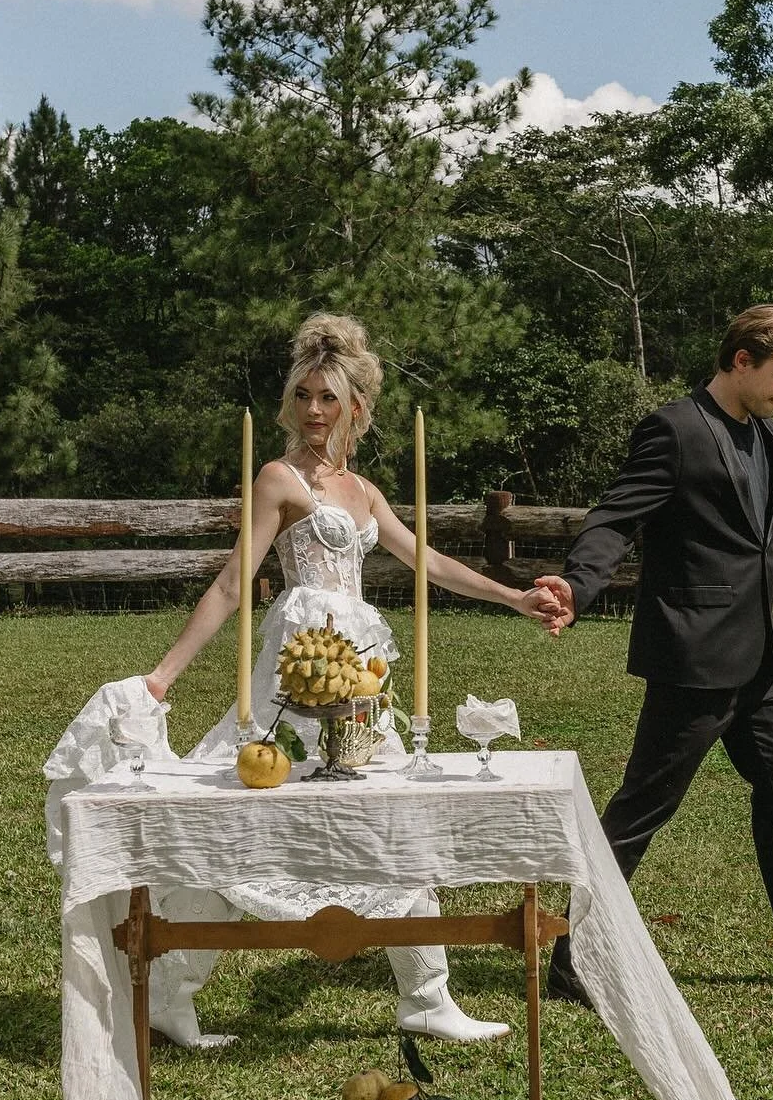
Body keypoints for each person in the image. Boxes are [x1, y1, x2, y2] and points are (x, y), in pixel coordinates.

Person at [144, 312, 561, 1043]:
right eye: (303, 395)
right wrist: (163, 676)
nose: (313, 410)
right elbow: (232, 584)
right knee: (240, 826)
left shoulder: (363, 492)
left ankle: (426, 997)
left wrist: (514, 596)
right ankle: (169, 996)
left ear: (356, 408)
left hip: (362, 677)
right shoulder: (279, 478)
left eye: (329, 397)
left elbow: (428, 562)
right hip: (301, 672)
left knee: (397, 821)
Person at [537, 302, 773, 1000]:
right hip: (694, 659)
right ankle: (573, 959)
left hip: (762, 660)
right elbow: (615, 519)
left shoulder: (765, 436)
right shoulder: (673, 430)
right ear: (741, 360)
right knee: (643, 809)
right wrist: (579, 587)